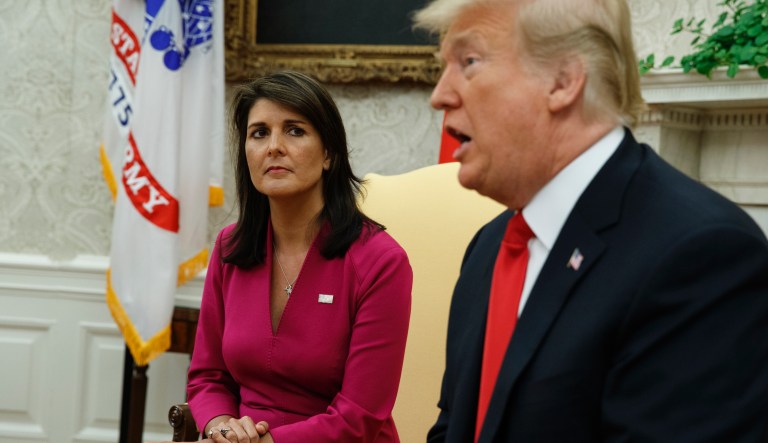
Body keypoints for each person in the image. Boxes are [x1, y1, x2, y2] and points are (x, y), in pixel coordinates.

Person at [413, 0, 768, 442]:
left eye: (469, 62)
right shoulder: (491, 247)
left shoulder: (704, 257)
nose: (440, 95)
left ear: (563, 80)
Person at [185, 71, 413, 443]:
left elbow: (360, 417)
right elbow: (207, 377)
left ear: (329, 154)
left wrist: (267, 442)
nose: (273, 146)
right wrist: (222, 427)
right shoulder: (230, 247)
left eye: (294, 130)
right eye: (259, 133)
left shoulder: (381, 262)